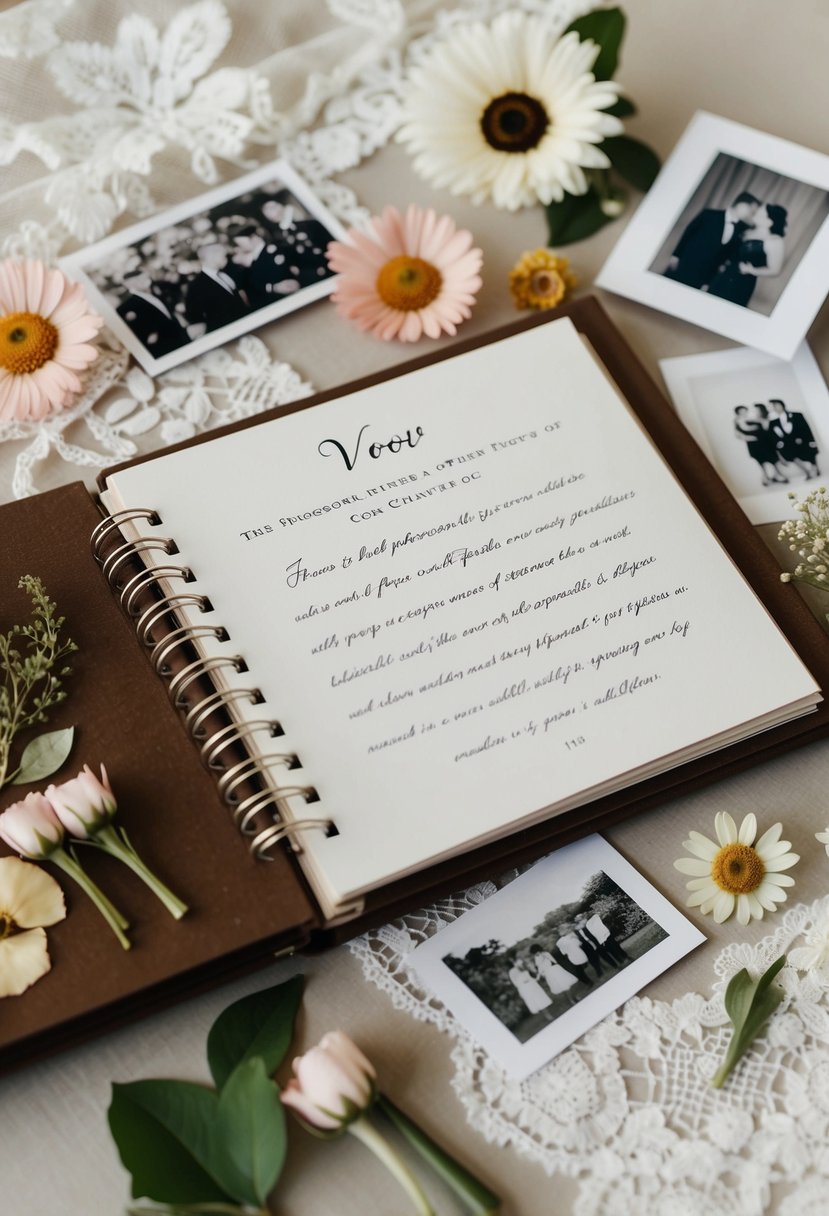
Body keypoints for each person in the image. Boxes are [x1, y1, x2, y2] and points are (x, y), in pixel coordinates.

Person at [665, 191, 760, 289]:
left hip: (704, 276)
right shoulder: (709, 215)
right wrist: (676, 255)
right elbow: (688, 234)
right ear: (741, 204)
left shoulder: (743, 230)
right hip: (685, 263)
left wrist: (708, 282)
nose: (751, 214)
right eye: (751, 209)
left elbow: (726, 257)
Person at [708, 202, 787, 308]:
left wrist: (751, 270)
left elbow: (775, 270)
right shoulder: (746, 230)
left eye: (761, 212)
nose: (757, 211)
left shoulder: (775, 241)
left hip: (741, 282)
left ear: (769, 222)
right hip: (723, 275)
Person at [116, 270, 188, 357]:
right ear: (129, 284)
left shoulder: (153, 290)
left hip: (178, 334)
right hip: (166, 346)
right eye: (139, 279)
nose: (145, 281)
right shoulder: (129, 305)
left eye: (144, 278)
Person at [184, 242, 251, 336]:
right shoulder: (196, 286)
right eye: (222, 255)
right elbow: (195, 318)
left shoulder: (225, 274)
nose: (226, 258)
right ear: (212, 257)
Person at [734, 404, 788, 487]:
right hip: (754, 445)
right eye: (741, 411)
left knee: (772, 459)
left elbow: (764, 427)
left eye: (745, 411)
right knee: (761, 461)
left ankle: (777, 476)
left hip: (764, 442)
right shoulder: (738, 421)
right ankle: (766, 478)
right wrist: (750, 437)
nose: (744, 413)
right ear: (738, 413)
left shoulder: (753, 419)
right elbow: (740, 433)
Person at [769, 397, 820, 479]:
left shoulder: (797, 415)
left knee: (810, 453)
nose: (776, 407)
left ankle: (815, 469)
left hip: (801, 441)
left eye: (777, 405)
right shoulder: (773, 422)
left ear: (782, 405)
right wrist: (779, 445)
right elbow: (773, 437)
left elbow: (806, 429)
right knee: (790, 455)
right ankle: (807, 472)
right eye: (774, 406)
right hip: (788, 444)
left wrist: (810, 441)